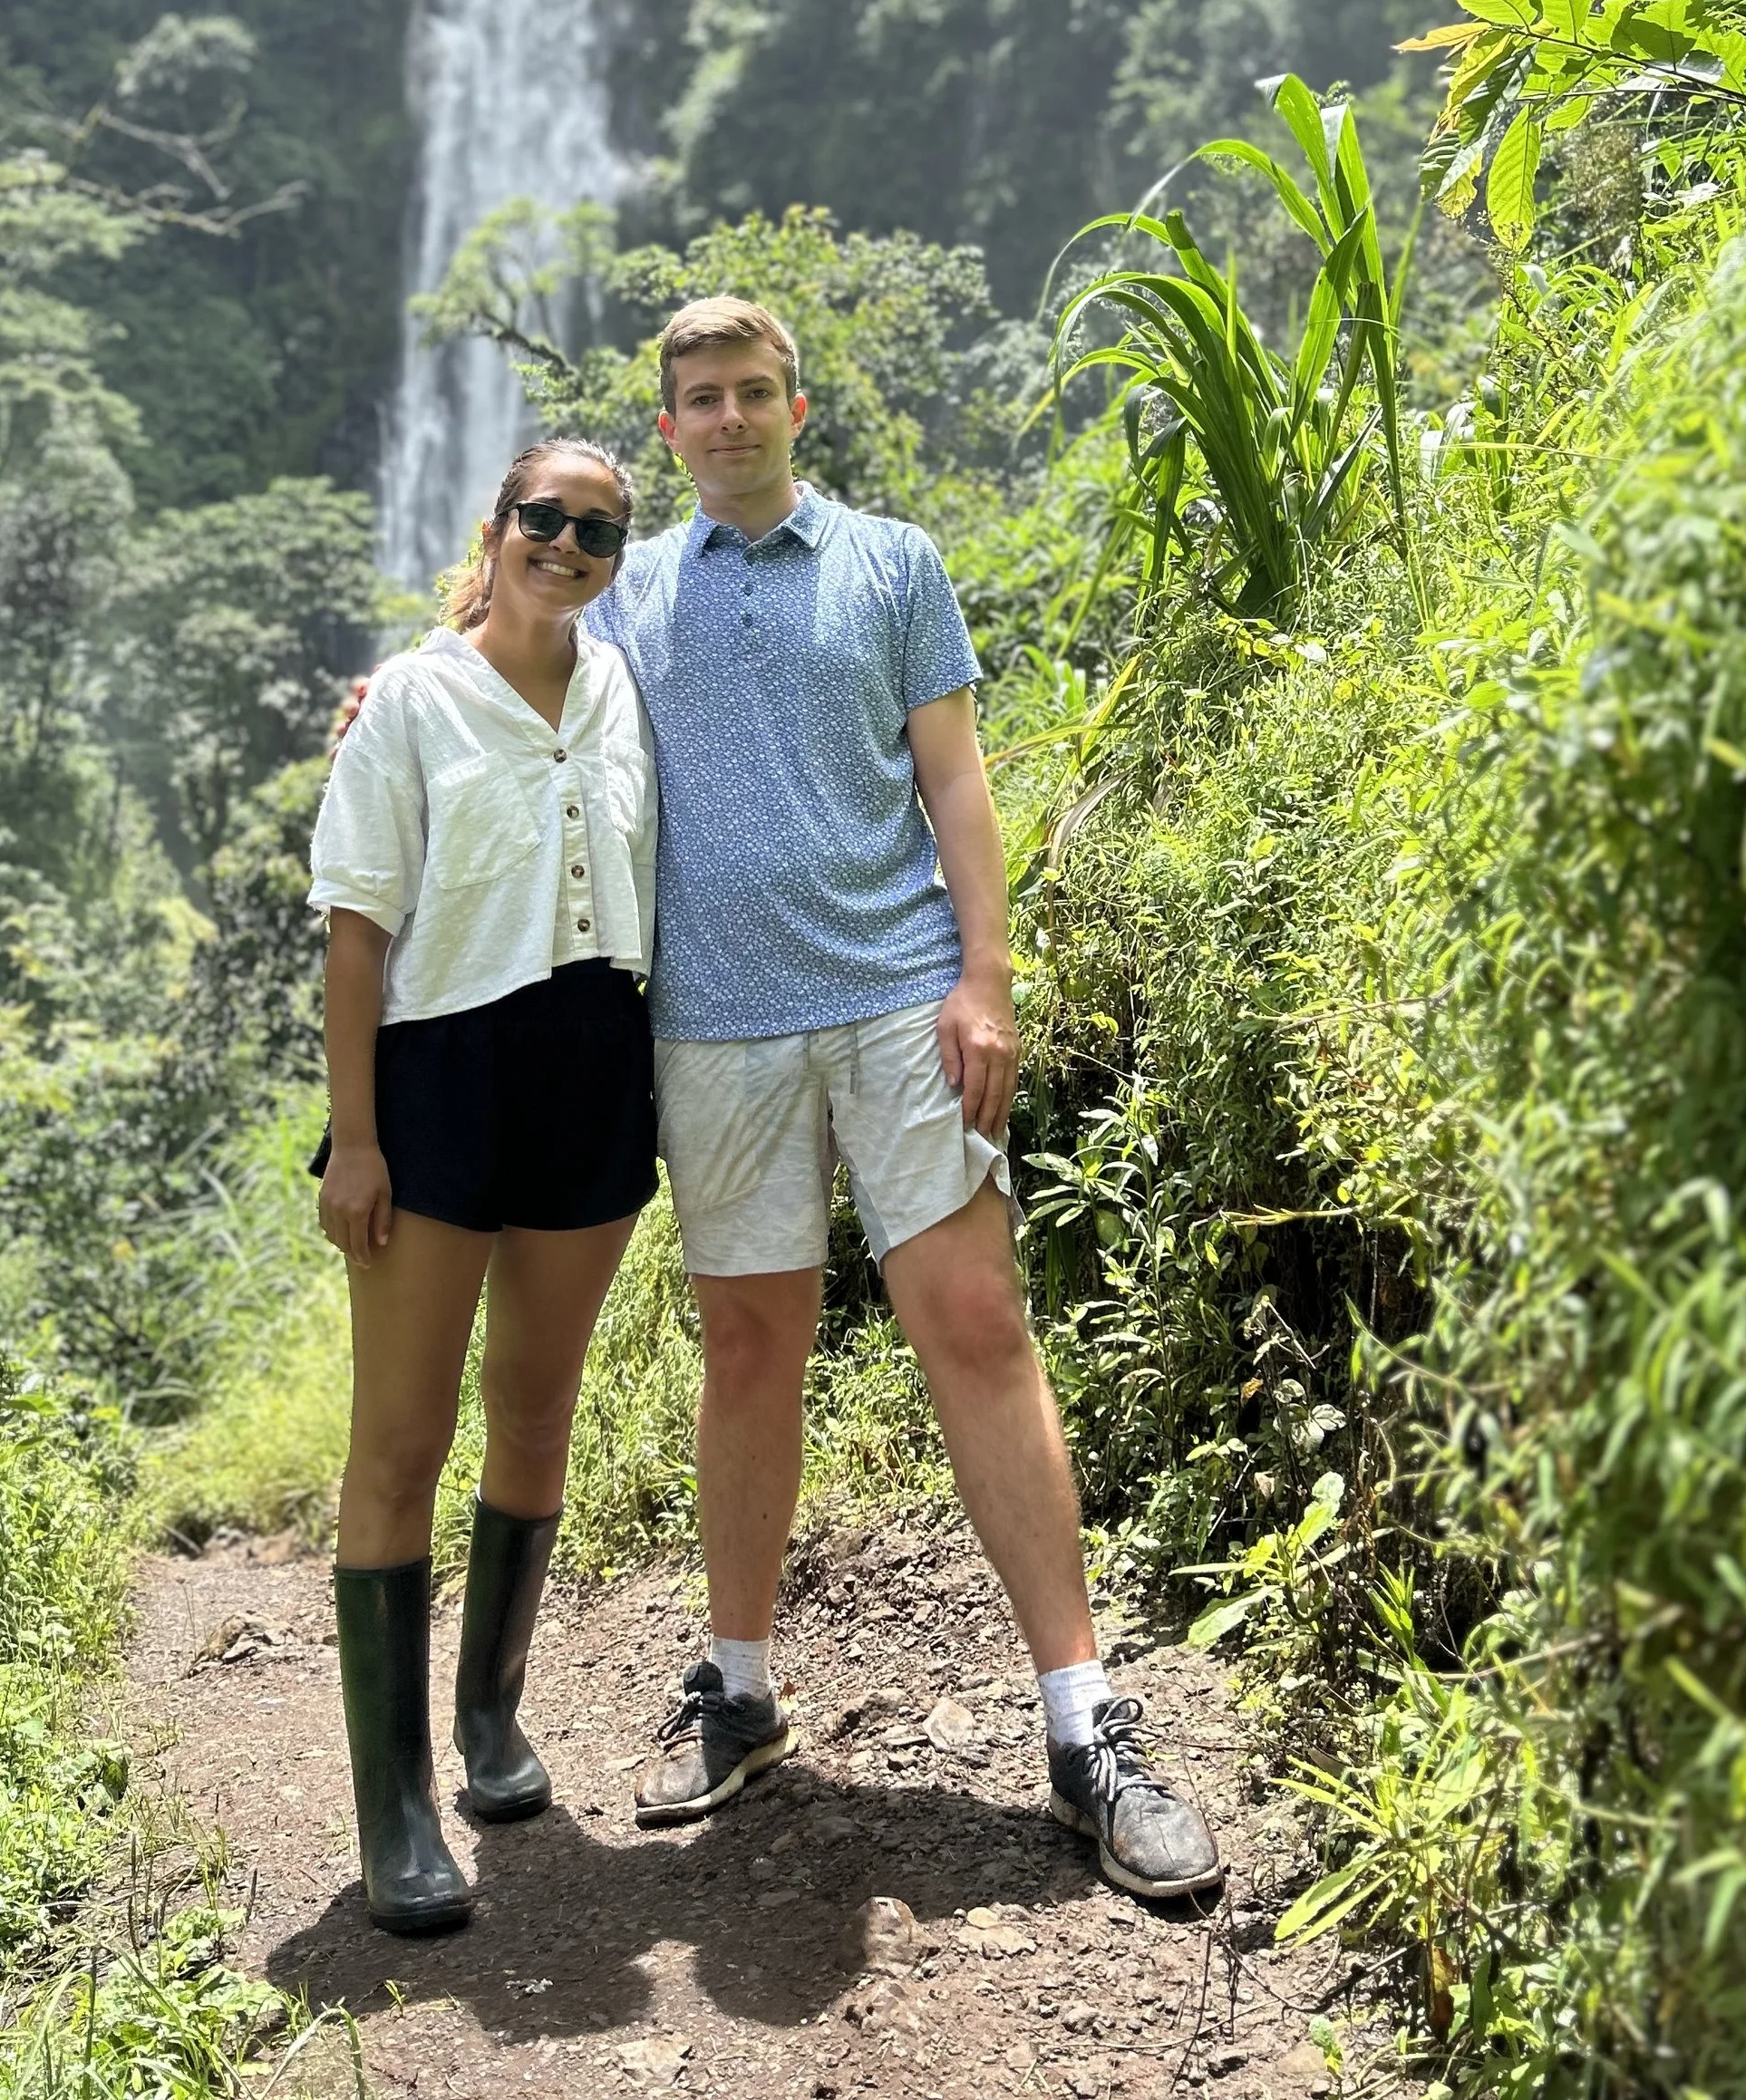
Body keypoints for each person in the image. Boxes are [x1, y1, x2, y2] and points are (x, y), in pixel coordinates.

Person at [585, 297, 1223, 1902]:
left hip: (895, 997)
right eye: (699, 402)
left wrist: (986, 975)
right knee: (748, 1346)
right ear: (667, 431)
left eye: (751, 392)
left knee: (978, 1326)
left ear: (798, 405)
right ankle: (737, 1690)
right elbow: (512, 670)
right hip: (716, 1026)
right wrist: (394, 693)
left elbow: (955, 777)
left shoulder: (893, 564)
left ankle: (1086, 1725)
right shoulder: (630, 593)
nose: (727, 418)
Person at [308, 438, 659, 1936]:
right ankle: (391, 1806)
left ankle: (489, 1721)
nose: (568, 545)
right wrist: (360, 1135)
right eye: (545, 519)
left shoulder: (626, 688)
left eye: (597, 530)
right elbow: (353, 932)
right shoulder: (406, 703)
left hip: (594, 1065)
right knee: (400, 1436)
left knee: (535, 1410)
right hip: (440, 1081)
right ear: (497, 527)